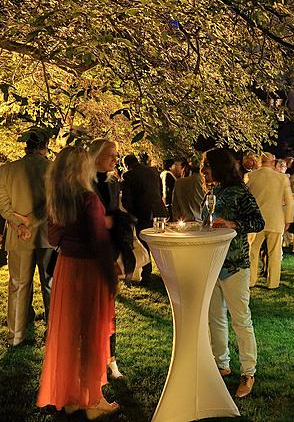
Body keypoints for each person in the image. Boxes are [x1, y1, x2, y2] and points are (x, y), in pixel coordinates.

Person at [37, 146, 119, 419]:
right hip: (89, 271)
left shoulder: (57, 199)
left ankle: (71, 397)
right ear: (82, 169)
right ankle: (93, 400)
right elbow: (98, 242)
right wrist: (112, 273)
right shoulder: (88, 199)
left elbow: (53, 237)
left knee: (71, 334)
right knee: (92, 334)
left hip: (66, 269)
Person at [201, 148, 264, 398]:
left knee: (241, 320)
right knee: (215, 317)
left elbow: (259, 222)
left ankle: (249, 372)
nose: (203, 170)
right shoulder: (212, 191)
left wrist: (234, 224)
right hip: (212, 264)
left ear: (218, 167)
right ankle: (221, 364)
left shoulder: (239, 192)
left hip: (235, 264)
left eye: (207, 166)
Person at [0, 130, 53, 346]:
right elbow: (52, 204)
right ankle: (53, 333)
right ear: (44, 146)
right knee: (50, 285)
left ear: (25, 146)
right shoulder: (53, 168)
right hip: (47, 235)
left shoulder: (8, 169)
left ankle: (15, 336)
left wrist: (18, 222)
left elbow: (0, 202)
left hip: (18, 236)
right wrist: (31, 222)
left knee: (18, 285)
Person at [88, 139, 123, 380]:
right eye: (111, 155)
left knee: (109, 308)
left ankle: (111, 358)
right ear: (97, 156)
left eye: (116, 155)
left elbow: (116, 214)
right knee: (91, 308)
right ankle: (94, 358)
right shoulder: (83, 183)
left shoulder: (112, 184)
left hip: (108, 250)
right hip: (87, 253)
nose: (115, 159)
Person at [246, 152, 294, 289]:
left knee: (253, 251)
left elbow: (246, 198)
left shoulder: (251, 176)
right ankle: (273, 283)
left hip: (256, 221)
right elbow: (290, 201)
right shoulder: (282, 178)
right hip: (276, 219)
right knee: (274, 252)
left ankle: (251, 280)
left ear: (260, 161)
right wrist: (288, 219)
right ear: (273, 162)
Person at [121, 153, 168, 282]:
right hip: (158, 210)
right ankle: (166, 270)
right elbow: (158, 190)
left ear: (126, 165)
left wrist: (131, 213)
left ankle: (147, 273)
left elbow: (126, 200)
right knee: (160, 242)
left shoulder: (128, 176)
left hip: (142, 213)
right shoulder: (153, 171)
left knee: (144, 242)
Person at [172, 157, 206, 222]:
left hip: (185, 223)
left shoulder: (179, 182)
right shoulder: (206, 182)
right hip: (203, 223)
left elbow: (175, 207)